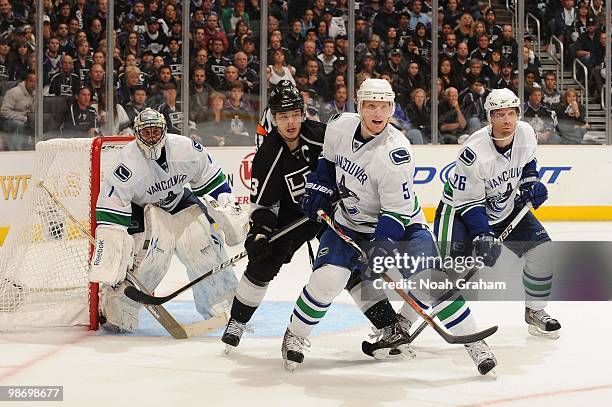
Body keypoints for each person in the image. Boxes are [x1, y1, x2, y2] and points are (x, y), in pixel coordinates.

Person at [282, 79, 497, 375]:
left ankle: (475, 342)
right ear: (359, 107)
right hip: (350, 223)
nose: (378, 112)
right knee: (328, 279)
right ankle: (295, 334)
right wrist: (319, 187)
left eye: (384, 106)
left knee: (429, 281)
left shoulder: (397, 153)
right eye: (371, 105)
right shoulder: (339, 126)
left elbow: (395, 213)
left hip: (403, 224)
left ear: (392, 108)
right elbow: (328, 164)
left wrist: (381, 244)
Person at [221, 81, 410, 360]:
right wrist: (258, 233)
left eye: (295, 114)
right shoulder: (267, 156)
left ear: (302, 113)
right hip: (290, 217)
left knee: (349, 265)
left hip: (332, 212)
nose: (291, 122)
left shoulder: (324, 134)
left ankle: (387, 324)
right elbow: (263, 205)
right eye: (283, 117)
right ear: (274, 119)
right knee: (262, 263)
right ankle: (237, 320)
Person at [90, 108, 245, 333]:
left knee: (204, 245)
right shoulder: (127, 163)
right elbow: (110, 210)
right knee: (148, 260)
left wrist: (227, 208)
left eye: (155, 131)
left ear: (164, 131)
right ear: (136, 134)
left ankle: (223, 305)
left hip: (178, 199)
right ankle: (118, 308)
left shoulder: (185, 148)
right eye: (146, 133)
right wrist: (112, 246)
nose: (151, 137)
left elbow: (214, 182)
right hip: (143, 210)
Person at [433, 88, 561, 345]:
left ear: (518, 114)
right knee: (449, 272)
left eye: (511, 114)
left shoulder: (525, 132)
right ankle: (403, 321)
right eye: (499, 115)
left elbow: (527, 163)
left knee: (542, 252)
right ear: (489, 117)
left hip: (504, 205)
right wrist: (482, 234)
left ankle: (535, 310)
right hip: (459, 211)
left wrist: (530, 183)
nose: (506, 121)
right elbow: (469, 202)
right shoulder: (473, 152)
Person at [0, 70, 35, 150]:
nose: (33, 84)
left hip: (27, 120)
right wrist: (23, 118)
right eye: (31, 81)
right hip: (7, 121)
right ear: (25, 81)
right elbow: (4, 112)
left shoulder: (36, 94)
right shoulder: (13, 92)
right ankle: (17, 150)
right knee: (19, 124)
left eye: (35, 82)